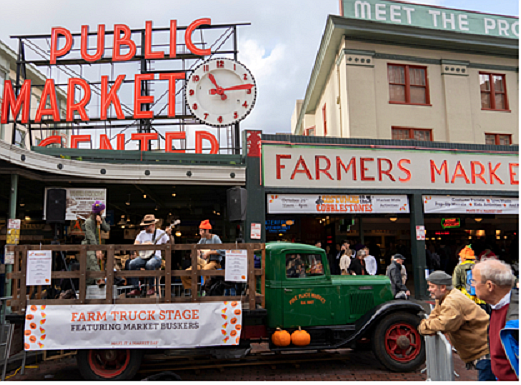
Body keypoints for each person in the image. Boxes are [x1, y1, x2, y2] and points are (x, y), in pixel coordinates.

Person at [418, 271, 493, 381]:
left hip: (485, 350)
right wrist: (429, 325)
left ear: (443, 287)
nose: (429, 289)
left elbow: (443, 324)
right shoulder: (444, 297)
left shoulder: (451, 301)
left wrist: (423, 327)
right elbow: (434, 317)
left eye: (432, 286)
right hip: (481, 349)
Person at [473, 259, 519, 381]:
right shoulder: (496, 306)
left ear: (489, 286)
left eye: (474, 281)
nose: (472, 285)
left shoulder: (516, 316)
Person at [128, 214, 174, 296]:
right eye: (144, 226)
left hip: (156, 257)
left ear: (153, 225)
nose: (145, 228)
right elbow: (135, 244)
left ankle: (151, 287)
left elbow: (170, 244)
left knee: (150, 264)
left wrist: (169, 235)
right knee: (132, 264)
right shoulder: (142, 233)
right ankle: (136, 288)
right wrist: (146, 245)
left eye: (147, 226)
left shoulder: (160, 233)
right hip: (144, 257)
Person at [181, 220, 225, 293]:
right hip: (203, 262)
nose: (199, 233)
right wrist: (196, 251)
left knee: (205, 270)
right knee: (186, 273)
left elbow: (222, 251)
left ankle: (206, 290)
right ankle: (196, 290)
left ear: (207, 230)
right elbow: (197, 247)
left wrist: (209, 252)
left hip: (214, 262)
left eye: (201, 231)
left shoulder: (215, 238)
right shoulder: (202, 239)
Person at [81, 201, 110, 288]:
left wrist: (101, 222)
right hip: (89, 245)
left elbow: (107, 229)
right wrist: (97, 249)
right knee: (92, 260)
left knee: (90, 269)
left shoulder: (101, 219)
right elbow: (91, 236)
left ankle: (87, 288)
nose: (103, 211)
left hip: (99, 244)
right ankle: (99, 279)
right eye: (102, 210)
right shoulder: (88, 222)